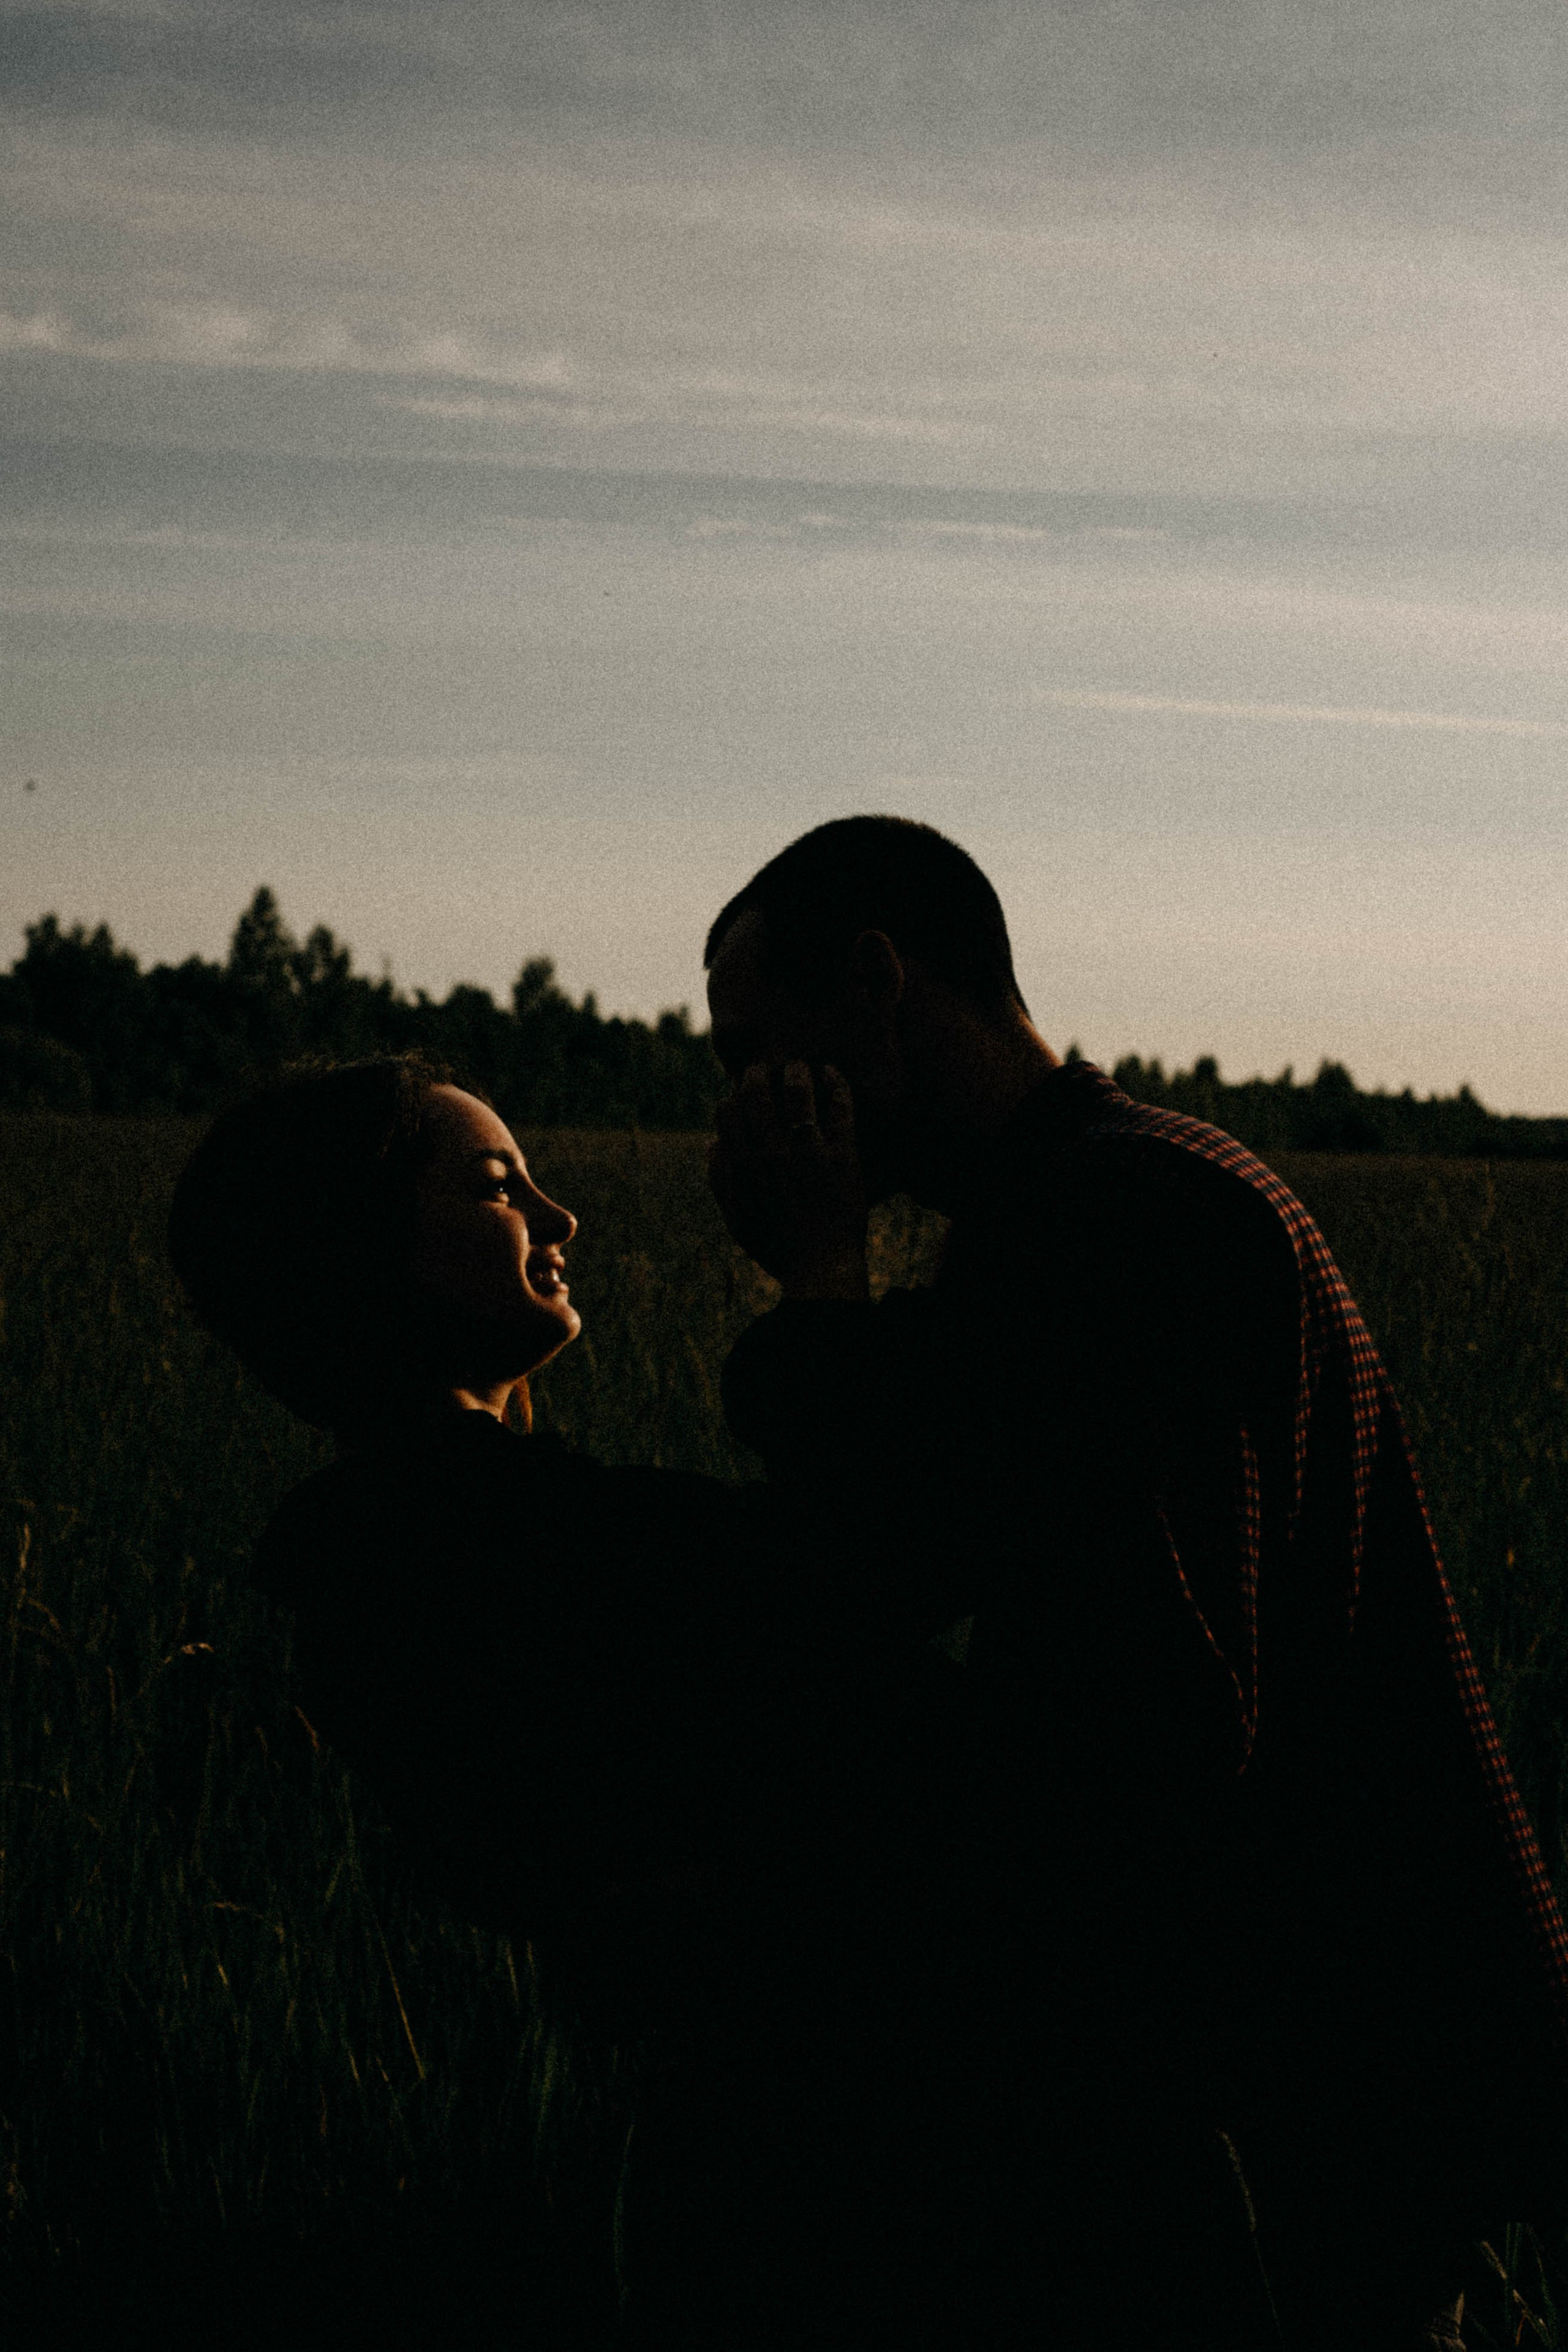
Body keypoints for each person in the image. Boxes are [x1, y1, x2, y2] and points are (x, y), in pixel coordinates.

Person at [703, 814, 1568, 2352]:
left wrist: (820, 1290)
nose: (747, 1108)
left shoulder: (1124, 1216)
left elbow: (1107, 1687)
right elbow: (960, 1526)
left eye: (759, 1052)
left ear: (876, 983)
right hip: (1331, 2042)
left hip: (1307, 2061)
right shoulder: (1089, 1204)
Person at [167, 1052, 975, 2348]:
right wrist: (824, 1277)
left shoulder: (391, 1544)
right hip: (835, 2162)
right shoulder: (478, 1543)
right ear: (363, 1248)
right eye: (498, 1190)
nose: (560, 1221)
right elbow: (867, 1571)